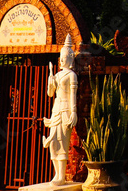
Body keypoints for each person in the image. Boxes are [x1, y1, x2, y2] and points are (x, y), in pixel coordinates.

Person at [43, 35, 78, 185]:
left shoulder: (72, 75)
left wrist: (74, 112)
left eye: (64, 57)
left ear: (70, 58)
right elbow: (50, 94)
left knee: (62, 142)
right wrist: (51, 81)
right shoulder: (57, 75)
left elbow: (73, 95)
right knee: (53, 143)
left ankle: (62, 176)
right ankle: (56, 174)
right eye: (60, 57)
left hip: (66, 110)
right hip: (56, 109)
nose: (62, 60)